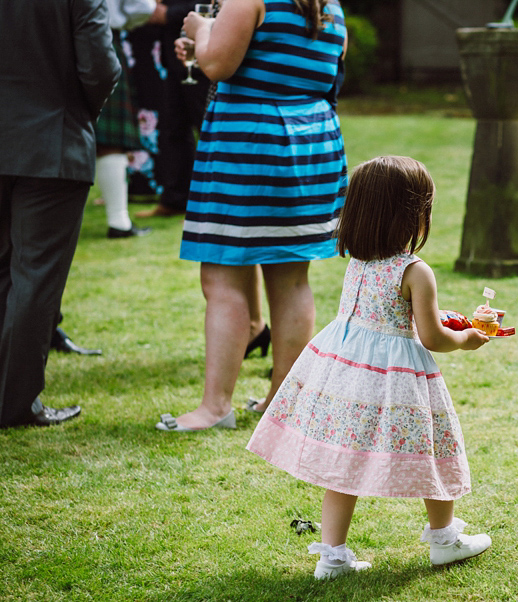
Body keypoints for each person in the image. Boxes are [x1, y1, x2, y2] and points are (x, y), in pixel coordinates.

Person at [246, 156, 493, 580]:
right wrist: (468, 338)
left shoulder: (358, 262)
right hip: (396, 381)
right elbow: (432, 338)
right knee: (433, 450)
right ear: (414, 215)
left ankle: (332, 558)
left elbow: (385, 317)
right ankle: (445, 540)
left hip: (347, 373)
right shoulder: (416, 271)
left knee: (345, 461)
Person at [155, 0, 348, 431]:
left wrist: (203, 29)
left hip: (251, 146)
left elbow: (220, 65)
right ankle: (285, 402)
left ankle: (215, 407)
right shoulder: (328, 4)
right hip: (312, 144)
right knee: (292, 278)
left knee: (222, 278)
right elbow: (319, 66)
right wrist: (210, 46)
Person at [0, 0, 120, 426]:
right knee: (35, 278)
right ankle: (13, 403)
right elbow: (100, 66)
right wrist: (77, 113)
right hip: (52, 137)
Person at [136, 0, 211, 219]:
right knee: (172, 131)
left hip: (202, 57)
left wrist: (169, 13)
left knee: (208, 130)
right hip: (173, 57)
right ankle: (176, 199)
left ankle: (209, 204)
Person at [97, 0, 157, 238]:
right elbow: (143, 7)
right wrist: (124, 23)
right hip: (100, 37)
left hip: (46, 42)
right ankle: (119, 221)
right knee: (110, 138)